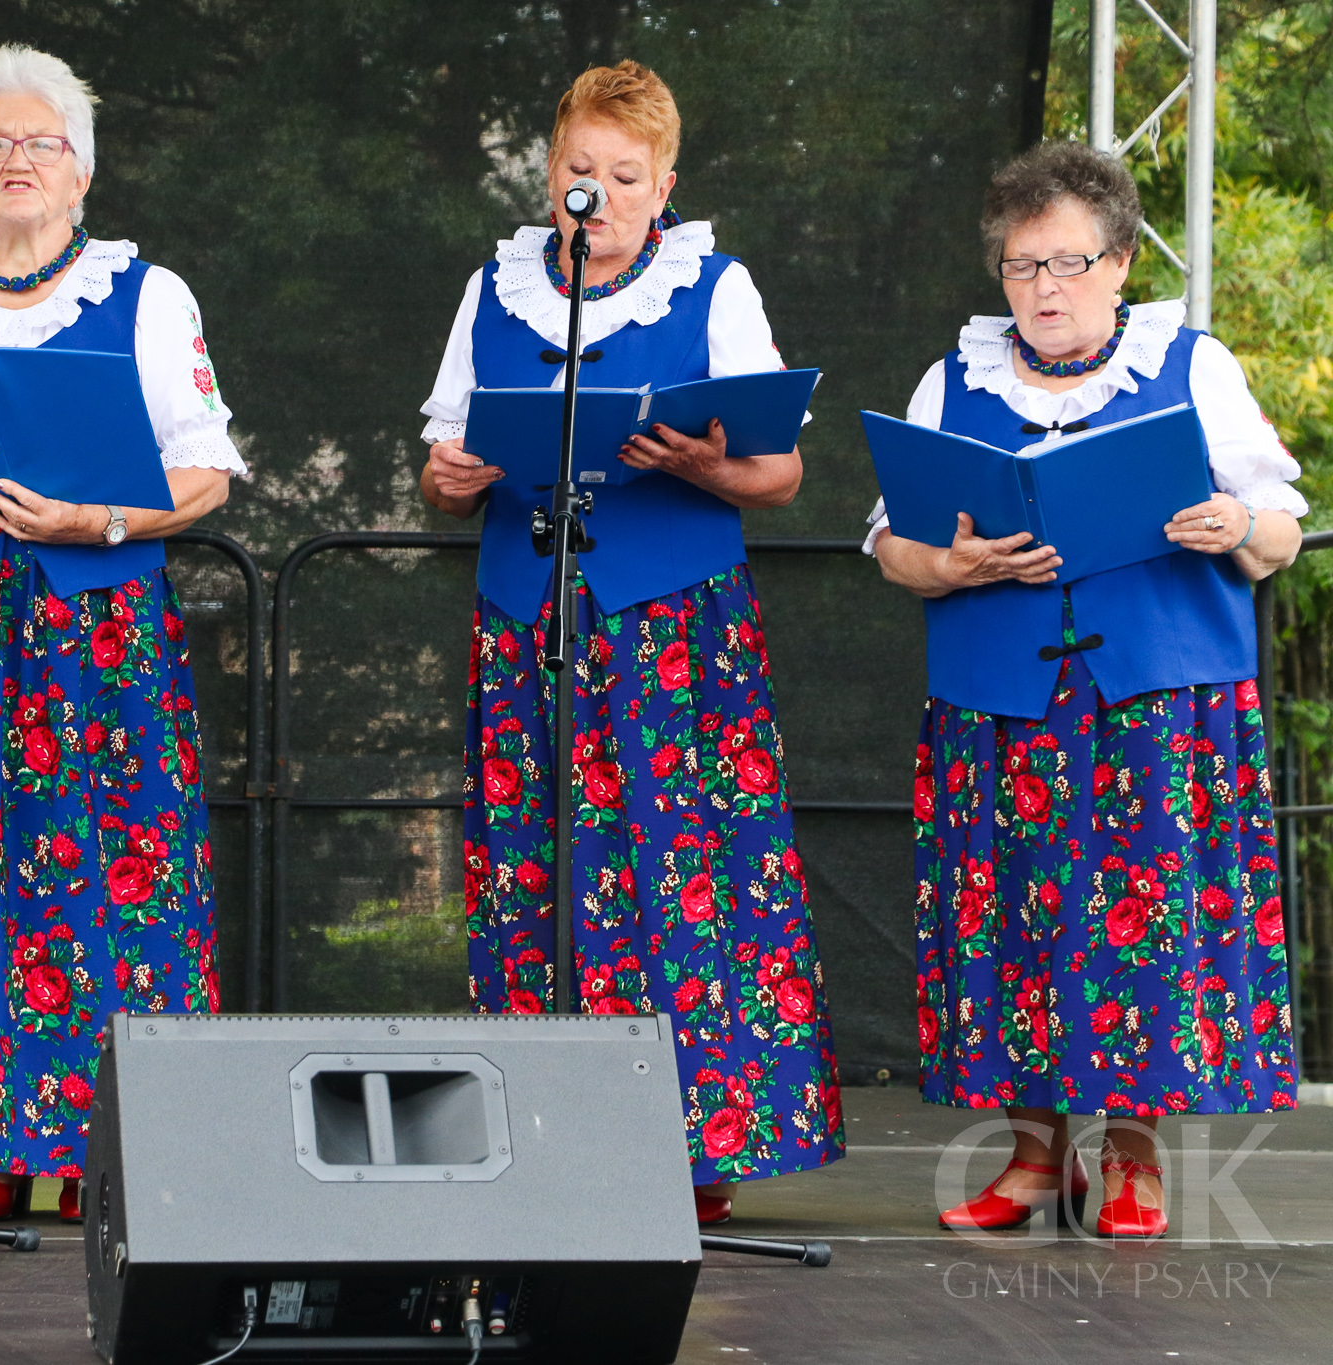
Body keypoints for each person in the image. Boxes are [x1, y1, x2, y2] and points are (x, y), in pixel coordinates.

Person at [420, 61, 844, 1225]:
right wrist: (451, 478)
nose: (595, 194)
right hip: (527, 621)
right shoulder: (495, 290)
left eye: (622, 175)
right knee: (535, 866)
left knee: (683, 865)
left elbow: (778, 471)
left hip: (671, 631)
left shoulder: (713, 287)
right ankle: (540, 1135)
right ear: (547, 173)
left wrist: (705, 464)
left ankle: (695, 1144)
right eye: (578, 171)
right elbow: (442, 471)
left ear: (662, 185)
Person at [868, 141, 1302, 1238]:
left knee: (1141, 927)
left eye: (1066, 263)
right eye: (1021, 266)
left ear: (1118, 264)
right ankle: (1033, 1158)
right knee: (1011, 924)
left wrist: (1235, 523)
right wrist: (949, 562)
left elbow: (1280, 536)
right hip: (997, 704)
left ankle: (1132, 1162)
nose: (1043, 289)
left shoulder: (1191, 367)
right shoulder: (952, 381)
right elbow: (891, 548)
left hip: (1157, 702)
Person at [0, 44, 241, 1223]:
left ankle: (99, 1150)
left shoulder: (145, 296)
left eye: (40, 143)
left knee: (107, 872)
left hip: (94, 634)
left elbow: (205, 472)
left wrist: (97, 520)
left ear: (82, 172)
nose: (16, 160)